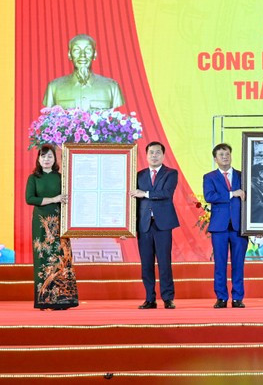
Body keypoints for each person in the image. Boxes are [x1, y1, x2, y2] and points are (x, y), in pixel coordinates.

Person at [25, 144, 78, 310]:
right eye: (43, 156)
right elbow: (30, 199)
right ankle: (44, 298)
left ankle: (63, 299)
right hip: (41, 223)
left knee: (62, 258)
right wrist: (54, 198)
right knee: (44, 258)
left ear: (55, 159)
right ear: (38, 159)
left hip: (60, 221)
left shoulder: (61, 177)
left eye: (49, 156)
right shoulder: (33, 178)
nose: (46, 159)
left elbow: (69, 199)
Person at [130, 141, 179, 309]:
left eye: (158, 152)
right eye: (151, 152)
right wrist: (127, 226)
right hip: (144, 225)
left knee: (165, 262)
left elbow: (166, 193)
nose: (154, 155)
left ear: (163, 155)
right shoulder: (138, 175)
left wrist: (145, 193)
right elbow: (132, 202)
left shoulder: (171, 173)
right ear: (146, 155)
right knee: (146, 263)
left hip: (163, 224)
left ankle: (167, 298)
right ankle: (150, 298)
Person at [203, 143, 248, 309]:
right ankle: (221, 297)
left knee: (238, 263)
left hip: (239, 227)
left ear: (231, 155)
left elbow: (252, 201)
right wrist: (231, 193)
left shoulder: (242, 175)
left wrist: (254, 226)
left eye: (227, 153)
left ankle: (237, 298)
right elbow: (210, 196)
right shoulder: (209, 177)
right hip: (219, 227)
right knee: (220, 264)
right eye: (221, 154)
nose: (224, 157)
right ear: (215, 159)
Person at [43, 34, 124, 110]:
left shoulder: (112, 87)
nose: (82, 55)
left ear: (95, 54)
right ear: (69, 55)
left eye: (88, 50)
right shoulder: (54, 87)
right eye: (77, 50)